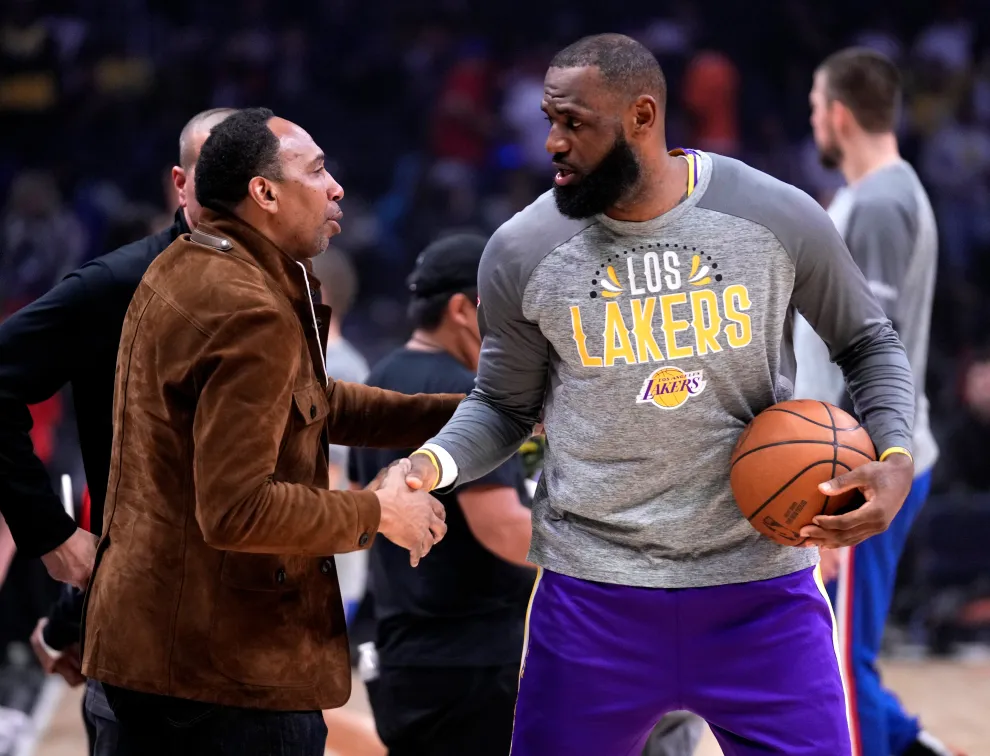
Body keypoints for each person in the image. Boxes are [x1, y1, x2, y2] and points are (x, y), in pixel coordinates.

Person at [402, 34, 918, 756]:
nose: (552, 141)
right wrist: (430, 465)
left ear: (642, 116)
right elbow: (501, 406)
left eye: (573, 122)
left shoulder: (777, 215)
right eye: (550, 119)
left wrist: (895, 453)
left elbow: (868, 343)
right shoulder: (520, 251)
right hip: (591, 599)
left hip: (761, 593)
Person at [79, 107, 461, 756]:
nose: (337, 186)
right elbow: (238, 508)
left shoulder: (194, 265)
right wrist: (379, 511)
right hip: (220, 677)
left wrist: (452, 414)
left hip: (159, 656)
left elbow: (313, 403)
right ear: (265, 193)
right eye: (316, 170)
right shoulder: (246, 306)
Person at [0, 107, 236, 756]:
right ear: (179, 184)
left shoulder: (291, 289)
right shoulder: (115, 285)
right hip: (151, 650)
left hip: (271, 653)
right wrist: (49, 535)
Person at [798, 48, 961, 756]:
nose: (812, 122)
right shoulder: (879, 195)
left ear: (838, 113)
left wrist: (839, 496)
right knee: (836, 650)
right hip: (863, 456)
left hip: (863, 466)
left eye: (813, 108)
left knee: (837, 661)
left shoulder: (883, 202)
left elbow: (871, 354)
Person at [351, 232, 535, 756]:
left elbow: (356, 497)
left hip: (400, 648)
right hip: (471, 661)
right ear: (461, 308)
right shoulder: (466, 394)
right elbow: (502, 526)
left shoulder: (379, 380)